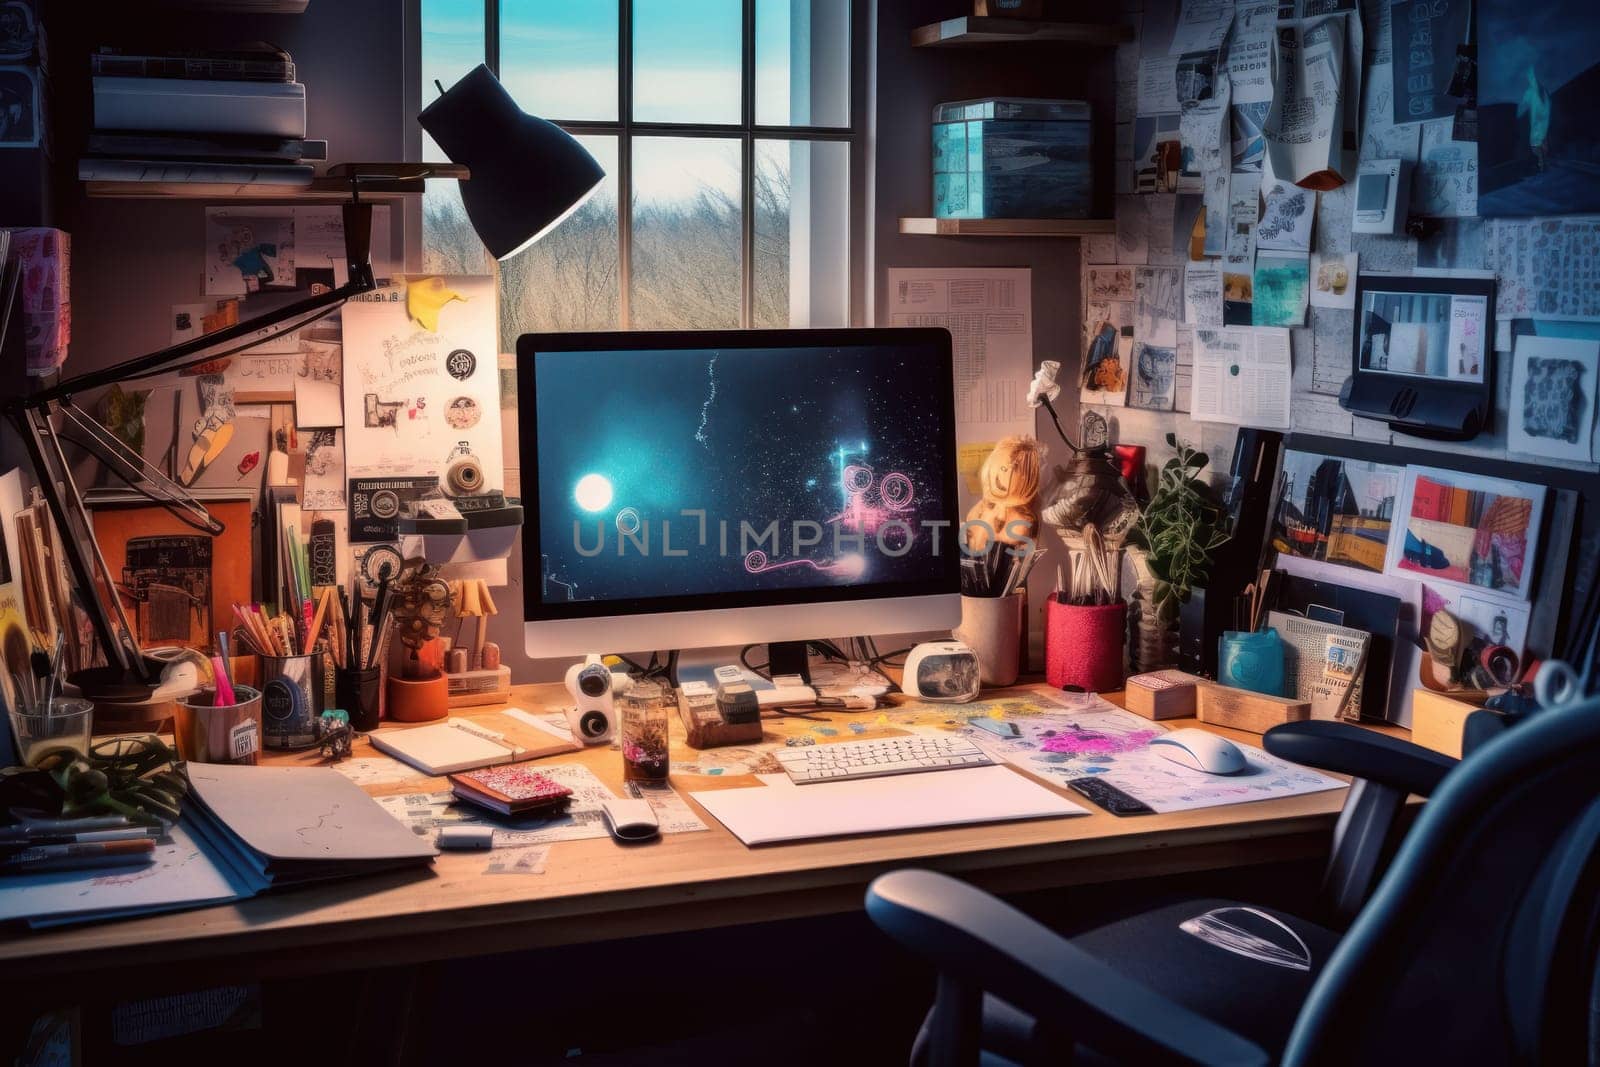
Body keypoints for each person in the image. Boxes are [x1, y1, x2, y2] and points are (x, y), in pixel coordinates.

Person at [1517, 66, 1551, 174]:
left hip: (1539, 123)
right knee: (1539, 143)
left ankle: (1542, 164)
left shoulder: (1535, 90)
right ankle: (1542, 164)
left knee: (1536, 145)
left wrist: (1520, 111)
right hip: (1541, 123)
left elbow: (1523, 104)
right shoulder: (1539, 90)